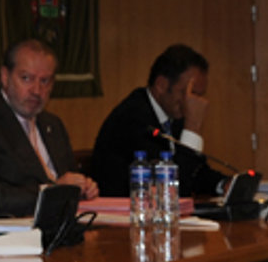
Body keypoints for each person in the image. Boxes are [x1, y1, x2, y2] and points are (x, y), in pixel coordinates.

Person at [0, 39, 98, 217]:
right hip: (14, 228)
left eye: (44, 81)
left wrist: (83, 187)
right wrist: (52, 192)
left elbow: (68, 179)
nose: (37, 90)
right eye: (26, 78)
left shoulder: (53, 125)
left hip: (61, 223)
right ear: (5, 77)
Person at [90, 44, 227, 197]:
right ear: (161, 85)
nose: (194, 103)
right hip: (127, 209)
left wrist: (224, 184)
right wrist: (193, 127)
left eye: (198, 96)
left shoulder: (173, 114)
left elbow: (195, 172)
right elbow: (172, 188)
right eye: (189, 93)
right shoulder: (133, 119)